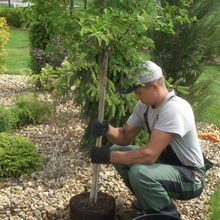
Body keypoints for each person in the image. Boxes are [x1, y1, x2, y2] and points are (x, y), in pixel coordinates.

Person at [90, 61, 207, 218]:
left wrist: (107, 157)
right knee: (117, 150)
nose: (136, 97)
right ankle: (149, 201)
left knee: (140, 173)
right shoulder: (144, 106)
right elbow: (125, 135)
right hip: (168, 165)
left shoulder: (174, 109)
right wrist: (107, 129)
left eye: (139, 92)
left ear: (154, 86)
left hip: (191, 176)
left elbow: (149, 154)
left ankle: (166, 215)